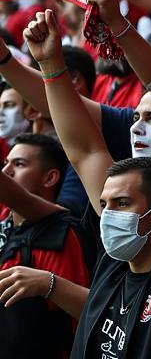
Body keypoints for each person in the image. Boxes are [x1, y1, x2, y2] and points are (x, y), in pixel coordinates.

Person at [23, 7, 151, 359]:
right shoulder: (115, 257)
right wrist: (49, 65)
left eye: (122, 204)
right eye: (106, 204)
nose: (108, 216)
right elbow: (83, 150)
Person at [0, 133, 92, 359]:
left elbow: (82, 318)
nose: (7, 171)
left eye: (19, 164)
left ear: (50, 178)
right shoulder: (6, 223)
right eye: (6, 163)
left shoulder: (59, 233)